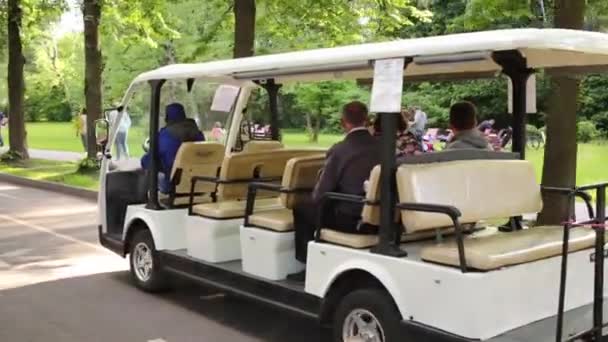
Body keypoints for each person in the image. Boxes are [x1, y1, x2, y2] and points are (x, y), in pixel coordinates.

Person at [289, 101, 380, 282]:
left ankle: (307, 265)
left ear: (343, 122)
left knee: (302, 208)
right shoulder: (382, 146)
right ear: (367, 120)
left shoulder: (340, 150)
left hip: (351, 217)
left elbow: (322, 193)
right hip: (380, 214)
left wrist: (315, 196)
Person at [141, 103, 205, 193]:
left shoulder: (166, 135)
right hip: (199, 183)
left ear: (167, 117)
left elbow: (151, 160)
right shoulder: (198, 134)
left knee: (147, 162)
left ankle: (149, 200)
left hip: (173, 185)